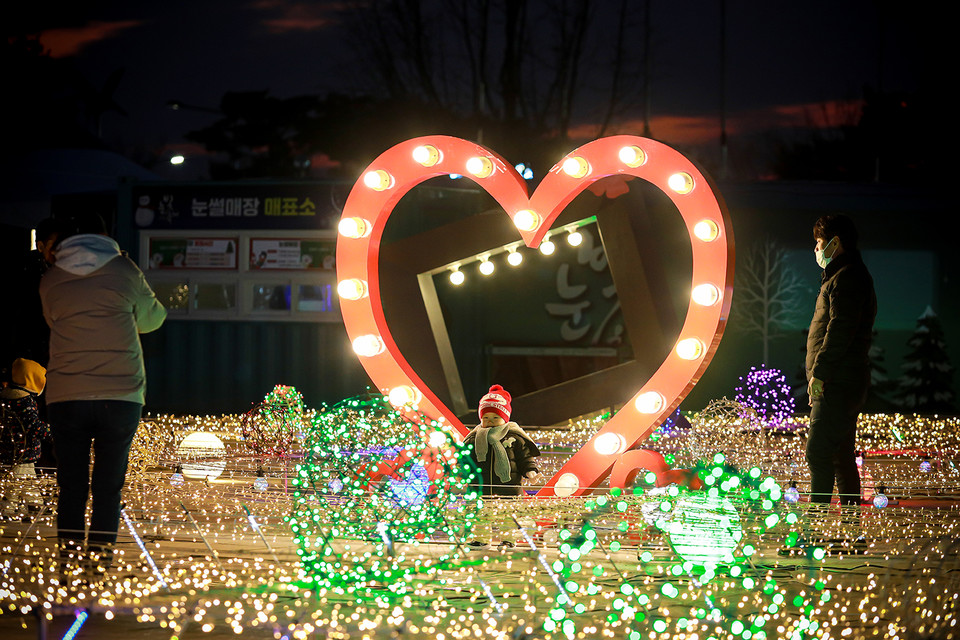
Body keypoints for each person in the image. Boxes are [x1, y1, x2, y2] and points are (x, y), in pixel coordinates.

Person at [39, 213, 167, 575]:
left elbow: (53, 320)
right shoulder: (124, 271)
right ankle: (98, 564)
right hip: (120, 394)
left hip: (66, 395)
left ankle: (69, 564)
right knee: (108, 487)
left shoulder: (50, 279)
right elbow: (151, 319)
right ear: (105, 237)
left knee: (71, 485)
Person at [805, 214, 876, 509]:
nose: (816, 249)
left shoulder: (846, 278)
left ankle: (813, 534)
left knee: (818, 453)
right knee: (840, 457)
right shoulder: (846, 276)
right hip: (844, 381)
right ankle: (849, 535)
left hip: (837, 382)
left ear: (835, 243)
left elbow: (838, 332)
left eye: (819, 242)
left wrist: (819, 374)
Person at [0, 358, 50, 477]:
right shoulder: (25, 401)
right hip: (23, 458)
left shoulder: (5, 397)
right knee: (25, 491)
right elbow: (33, 425)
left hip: (8, 455)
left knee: (13, 490)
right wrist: (51, 432)